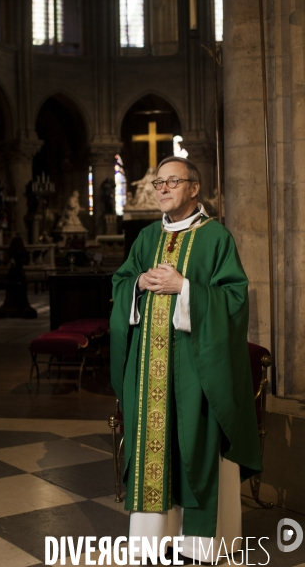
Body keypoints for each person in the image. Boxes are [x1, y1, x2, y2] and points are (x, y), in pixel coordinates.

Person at [110, 156, 262, 563]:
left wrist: (185, 288)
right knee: (154, 450)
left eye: (171, 181)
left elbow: (233, 300)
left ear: (194, 188)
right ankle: (153, 541)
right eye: (158, 182)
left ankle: (201, 544)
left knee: (198, 445)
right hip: (150, 375)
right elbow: (122, 281)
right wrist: (139, 283)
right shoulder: (145, 239)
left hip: (199, 372)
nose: (161, 188)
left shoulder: (216, 239)